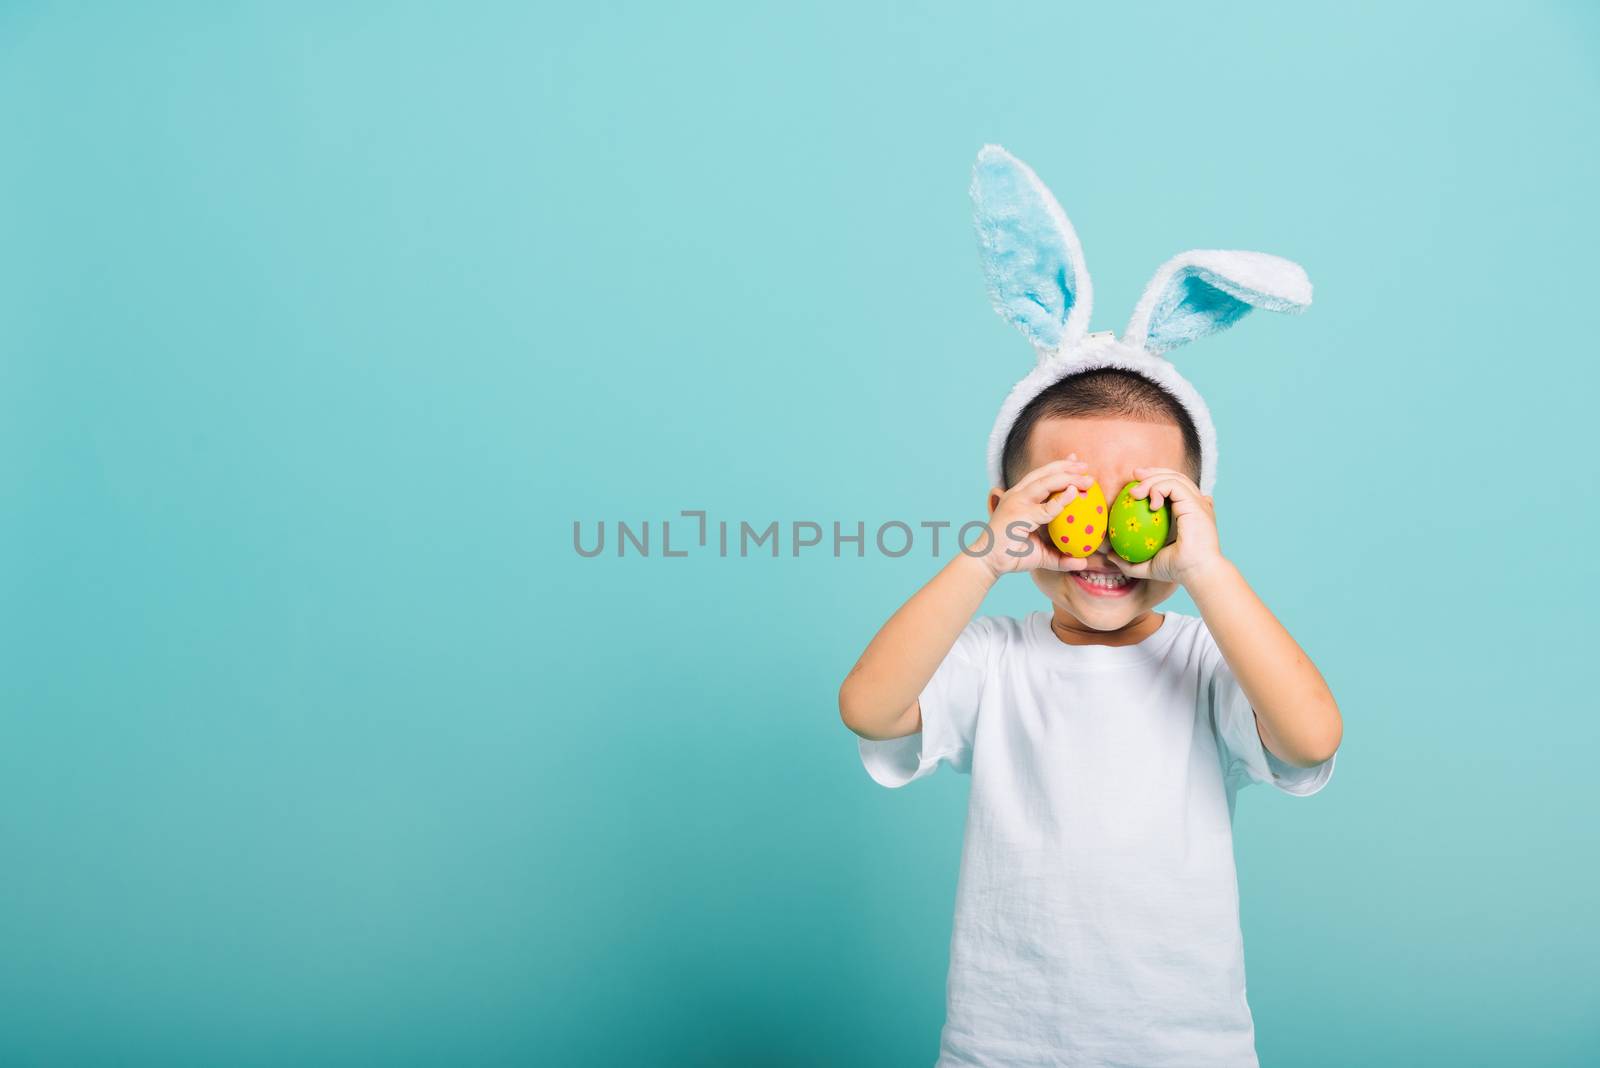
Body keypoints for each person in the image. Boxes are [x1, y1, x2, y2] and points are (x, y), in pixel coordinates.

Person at [838, 146, 1342, 1067]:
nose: (1106, 542)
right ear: (1008, 512)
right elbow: (869, 706)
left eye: (1143, 507)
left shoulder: (1201, 662)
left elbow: (1310, 737)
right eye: (1070, 506)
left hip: (1187, 1049)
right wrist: (983, 563)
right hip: (1002, 1048)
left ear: (1193, 517)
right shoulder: (995, 658)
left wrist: (1211, 574)